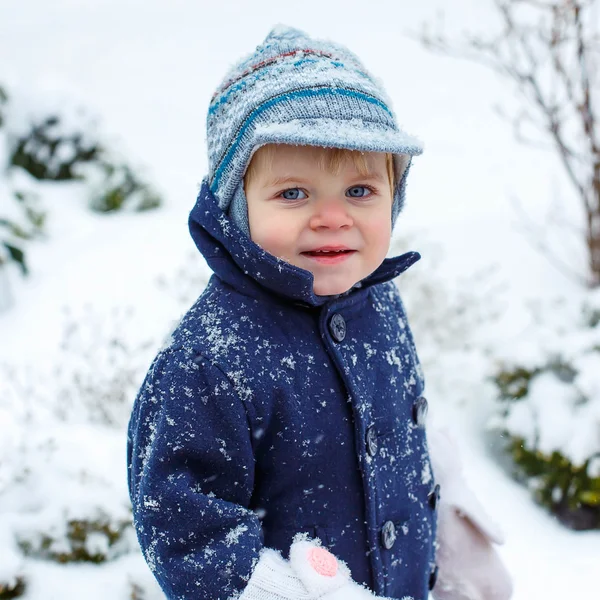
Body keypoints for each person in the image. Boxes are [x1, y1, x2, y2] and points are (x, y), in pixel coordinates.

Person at [127, 25, 512, 600]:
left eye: (359, 191)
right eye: (293, 193)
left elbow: (398, 427)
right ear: (238, 205)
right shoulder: (210, 358)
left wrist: (444, 531)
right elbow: (185, 529)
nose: (332, 218)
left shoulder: (376, 301)